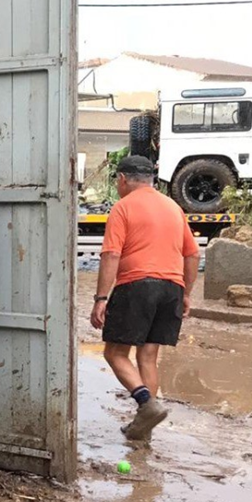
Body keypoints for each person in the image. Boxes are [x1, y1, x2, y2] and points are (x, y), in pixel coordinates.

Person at [91, 155, 199, 440]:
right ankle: (145, 426)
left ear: (123, 179)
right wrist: (185, 294)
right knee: (148, 357)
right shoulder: (174, 207)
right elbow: (192, 254)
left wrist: (101, 298)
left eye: (117, 181)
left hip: (137, 285)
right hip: (171, 288)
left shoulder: (123, 207)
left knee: (114, 353)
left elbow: (111, 254)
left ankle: (145, 403)